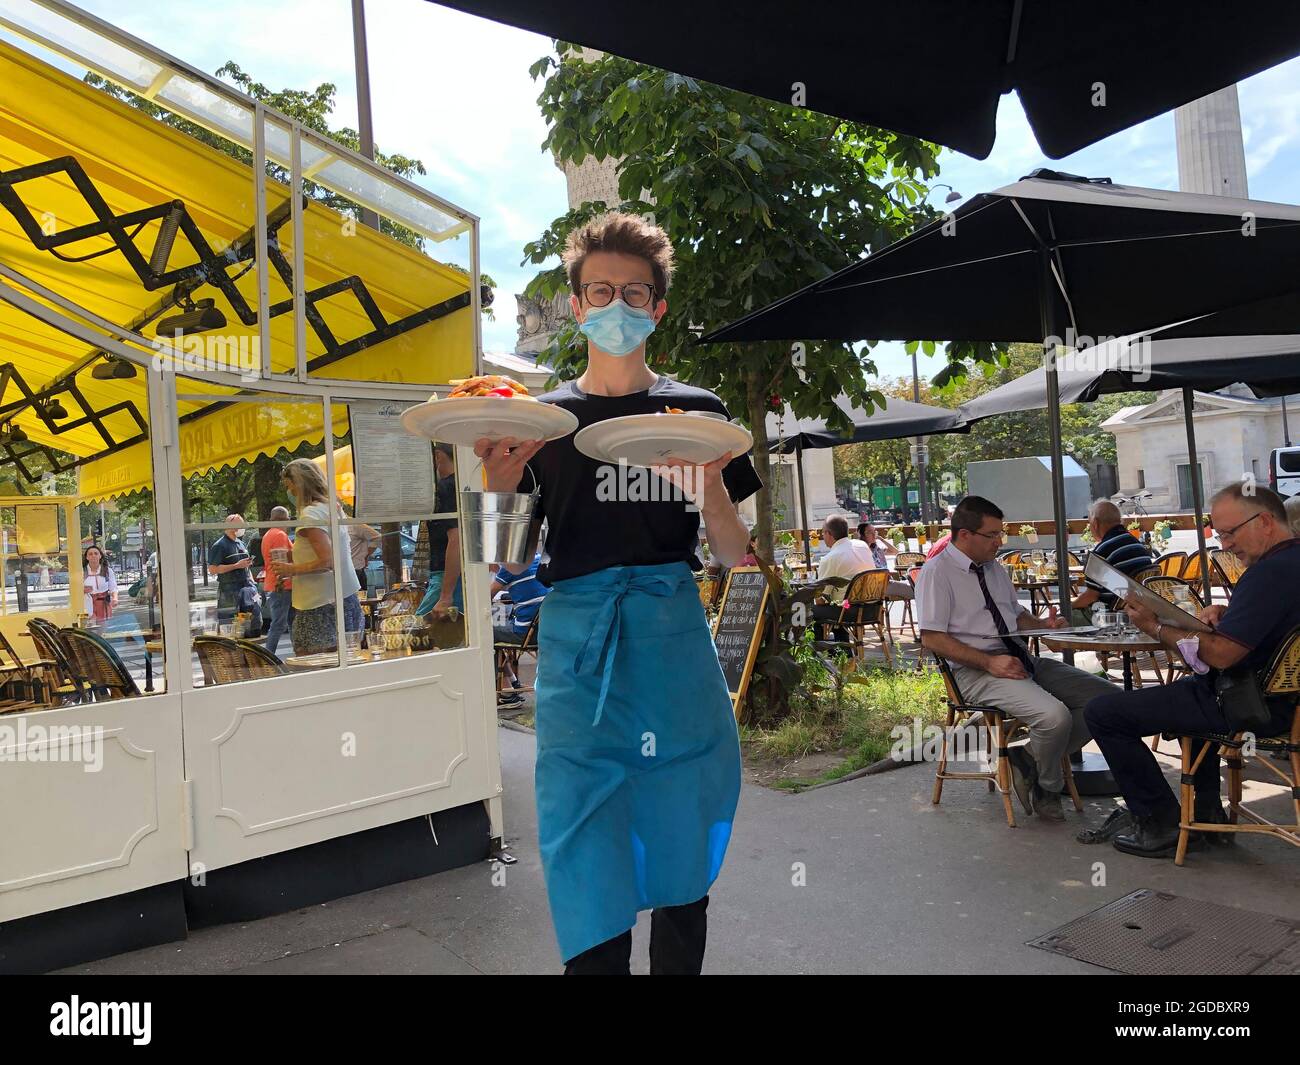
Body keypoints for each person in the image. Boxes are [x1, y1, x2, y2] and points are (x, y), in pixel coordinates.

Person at [476, 212, 762, 975]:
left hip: (671, 641)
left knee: (680, 832)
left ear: (658, 307)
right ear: (576, 304)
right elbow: (502, 561)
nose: (618, 302)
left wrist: (710, 492)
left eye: (635, 291)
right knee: (583, 844)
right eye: (600, 289)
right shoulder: (545, 422)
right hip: (579, 654)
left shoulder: (699, 414)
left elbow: (737, 556)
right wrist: (498, 483)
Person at [1083, 483, 1300, 857]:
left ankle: (1159, 823)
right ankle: (1206, 813)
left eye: (1230, 532)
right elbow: (1273, 627)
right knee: (1190, 699)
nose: (1226, 544)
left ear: (1265, 521)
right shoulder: (1288, 563)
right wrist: (1227, 615)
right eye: (1220, 534)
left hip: (1250, 704)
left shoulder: (1269, 574)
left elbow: (1222, 656)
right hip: (1285, 701)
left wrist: (1154, 626)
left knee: (1103, 713)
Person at [915, 495, 1117, 822]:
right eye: (992, 535)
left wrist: (1042, 626)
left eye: (1001, 533)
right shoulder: (937, 573)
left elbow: (1015, 613)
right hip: (973, 672)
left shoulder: (994, 568)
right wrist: (989, 662)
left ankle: (1029, 759)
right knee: (1054, 717)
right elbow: (932, 638)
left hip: (1019, 659)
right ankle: (1048, 786)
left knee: (1108, 700)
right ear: (964, 534)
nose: (1000, 541)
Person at [270, 459, 363, 654]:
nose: (291, 493)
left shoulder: (311, 515)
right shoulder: (333, 508)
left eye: (290, 487)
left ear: (300, 485)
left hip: (319, 604)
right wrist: (295, 555)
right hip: (344, 596)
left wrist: (291, 569)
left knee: (313, 668)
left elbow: (327, 561)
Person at [1070, 499, 1153, 622]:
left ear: (1095, 523)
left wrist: (1067, 607)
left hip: (1110, 617)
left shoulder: (1102, 551)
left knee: (1062, 620)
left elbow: (1091, 596)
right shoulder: (1138, 545)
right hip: (1139, 613)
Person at [491, 549, 548, 707]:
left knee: (487, 633)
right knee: (500, 630)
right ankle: (513, 684)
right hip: (544, 629)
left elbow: (487, 595)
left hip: (525, 633)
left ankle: (506, 692)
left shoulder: (510, 568)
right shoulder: (538, 560)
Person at [416, 443, 464, 618]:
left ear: (438, 456)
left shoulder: (446, 488)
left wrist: (445, 595)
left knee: (415, 634)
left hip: (448, 577)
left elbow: (457, 539)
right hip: (456, 576)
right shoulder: (461, 485)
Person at [206, 514, 260, 634]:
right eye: (240, 525)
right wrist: (236, 566)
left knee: (249, 627)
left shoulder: (240, 543)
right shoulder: (220, 545)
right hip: (229, 591)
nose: (242, 528)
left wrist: (252, 583)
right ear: (231, 525)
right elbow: (213, 569)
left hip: (245, 587)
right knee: (230, 626)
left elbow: (245, 566)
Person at [261, 506, 294, 656]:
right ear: (285, 520)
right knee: (279, 624)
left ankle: (298, 650)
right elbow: (281, 561)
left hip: (275, 584)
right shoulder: (279, 535)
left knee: (291, 621)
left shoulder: (268, 534)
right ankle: (268, 657)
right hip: (282, 585)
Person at [83, 545, 117, 622]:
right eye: (90, 554)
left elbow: (113, 588)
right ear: (87, 557)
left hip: (103, 605)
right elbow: (73, 590)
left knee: (103, 631)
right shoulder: (81, 572)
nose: (93, 555)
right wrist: (82, 590)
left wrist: (115, 599)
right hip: (86, 605)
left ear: (100, 556)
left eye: (96, 553)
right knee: (89, 631)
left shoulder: (107, 571)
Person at [348, 520, 380, 594]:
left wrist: (366, 555)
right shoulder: (332, 525)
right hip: (337, 571)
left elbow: (377, 537)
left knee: (358, 600)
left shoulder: (354, 525)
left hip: (355, 569)